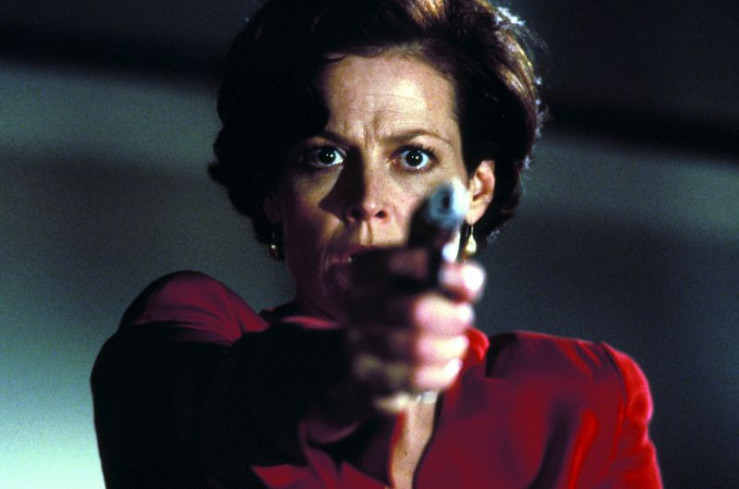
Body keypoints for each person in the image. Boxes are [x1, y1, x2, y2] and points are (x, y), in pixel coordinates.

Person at [91, 0, 663, 488]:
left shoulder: (583, 401)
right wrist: (343, 372)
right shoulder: (190, 327)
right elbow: (200, 408)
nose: (367, 199)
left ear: (477, 191)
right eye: (325, 156)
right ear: (273, 194)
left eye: (413, 157)